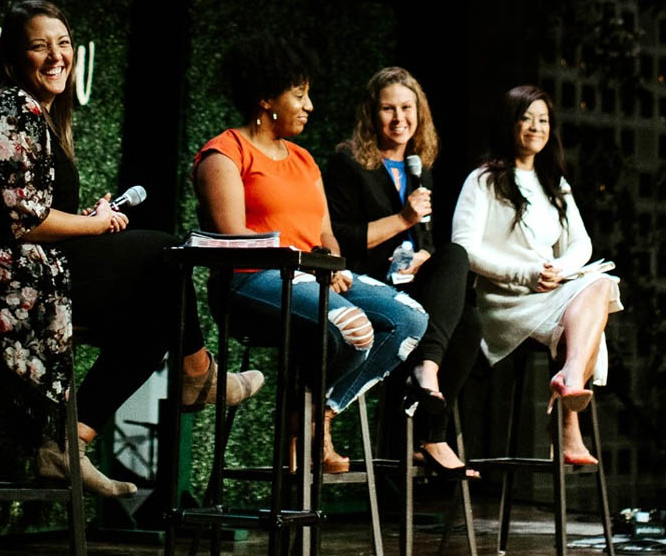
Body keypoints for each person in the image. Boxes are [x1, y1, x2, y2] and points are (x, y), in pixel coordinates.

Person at [0, 0, 264, 498]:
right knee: (165, 254)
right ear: (15, 58)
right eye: (40, 46)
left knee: (156, 318)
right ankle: (199, 375)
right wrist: (99, 225)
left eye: (63, 44)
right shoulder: (12, 110)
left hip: (23, 270)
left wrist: (86, 221)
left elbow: (25, 213)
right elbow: (26, 222)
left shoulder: (32, 114)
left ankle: (67, 445)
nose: (56, 56)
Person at [193, 35, 429, 474]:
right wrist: (310, 265)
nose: (310, 106)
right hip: (249, 282)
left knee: (411, 319)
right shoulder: (224, 153)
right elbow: (234, 237)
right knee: (354, 327)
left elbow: (326, 234)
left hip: (310, 276)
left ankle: (319, 414)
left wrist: (332, 263)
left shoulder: (303, 160)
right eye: (299, 95)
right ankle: (311, 424)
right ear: (267, 99)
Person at [451, 85, 622, 464]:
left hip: (550, 289)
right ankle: (567, 423)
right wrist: (525, 273)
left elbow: (582, 245)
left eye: (542, 120)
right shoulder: (483, 180)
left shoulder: (554, 184)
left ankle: (570, 380)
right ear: (509, 124)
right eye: (526, 118)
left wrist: (558, 270)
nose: (535, 127)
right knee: (595, 295)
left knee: (598, 283)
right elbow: (463, 248)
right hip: (504, 299)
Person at [324, 67, 481, 478]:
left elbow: (424, 236)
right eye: (388, 109)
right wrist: (402, 218)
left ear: (420, 112)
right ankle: (431, 428)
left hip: (408, 280)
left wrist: (425, 254)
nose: (399, 119)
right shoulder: (347, 163)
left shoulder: (418, 167)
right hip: (364, 280)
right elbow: (339, 237)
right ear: (370, 115)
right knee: (463, 320)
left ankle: (426, 411)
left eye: (407, 108)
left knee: (459, 278)